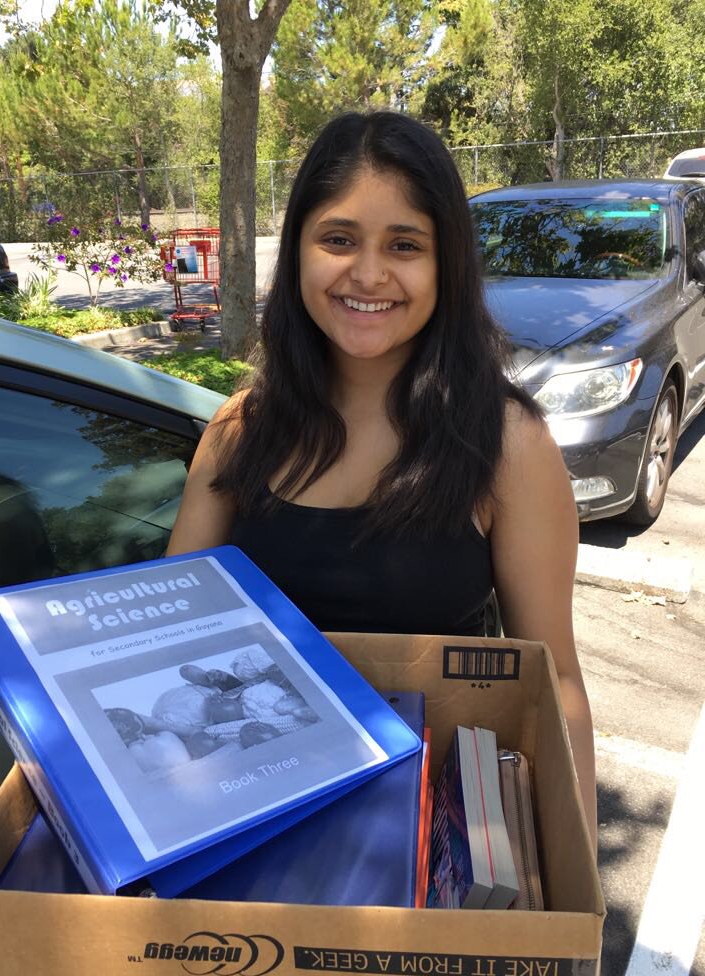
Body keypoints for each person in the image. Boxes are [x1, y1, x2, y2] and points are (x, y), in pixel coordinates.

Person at [167, 110, 597, 851]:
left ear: (446, 265)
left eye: (405, 245)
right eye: (339, 239)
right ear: (297, 252)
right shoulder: (239, 432)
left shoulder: (506, 443)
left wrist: (572, 885)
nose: (368, 275)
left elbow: (555, 683)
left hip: (425, 850)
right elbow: (170, 643)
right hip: (247, 834)